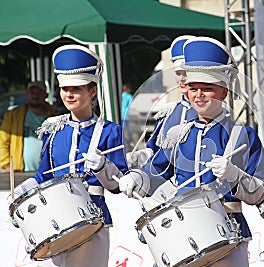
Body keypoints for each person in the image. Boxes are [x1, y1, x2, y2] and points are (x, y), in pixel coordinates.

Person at [119, 36, 264, 267]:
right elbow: (157, 170)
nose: (198, 95)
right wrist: (137, 176)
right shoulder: (178, 134)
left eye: (207, 89)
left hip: (230, 234)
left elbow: (259, 193)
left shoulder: (243, 136)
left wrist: (235, 176)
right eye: (193, 88)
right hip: (183, 232)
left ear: (223, 93)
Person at [9, 45, 129, 267]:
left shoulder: (111, 131)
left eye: (77, 89)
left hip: (94, 217)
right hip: (55, 218)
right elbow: (44, 174)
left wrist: (104, 167)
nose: (69, 95)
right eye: (65, 89)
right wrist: (26, 187)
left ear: (92, 91)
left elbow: (118, 185)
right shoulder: (53, 131)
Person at [126, 35, 197, 168]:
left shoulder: (215, 114)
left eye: (186, 73)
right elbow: (155, 150)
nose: (182, 79)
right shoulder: (169, 113)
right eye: (178, 73)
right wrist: (141, 156)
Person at [0, 81, 54, 172]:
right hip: (19, 171)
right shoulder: (13, 115)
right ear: (27, 94)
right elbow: (3, 140)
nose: (35, 96)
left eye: (39, 93)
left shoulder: (53, 116)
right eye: (32, 92)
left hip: (47, 173)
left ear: (46, 95)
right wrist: (6, 165)